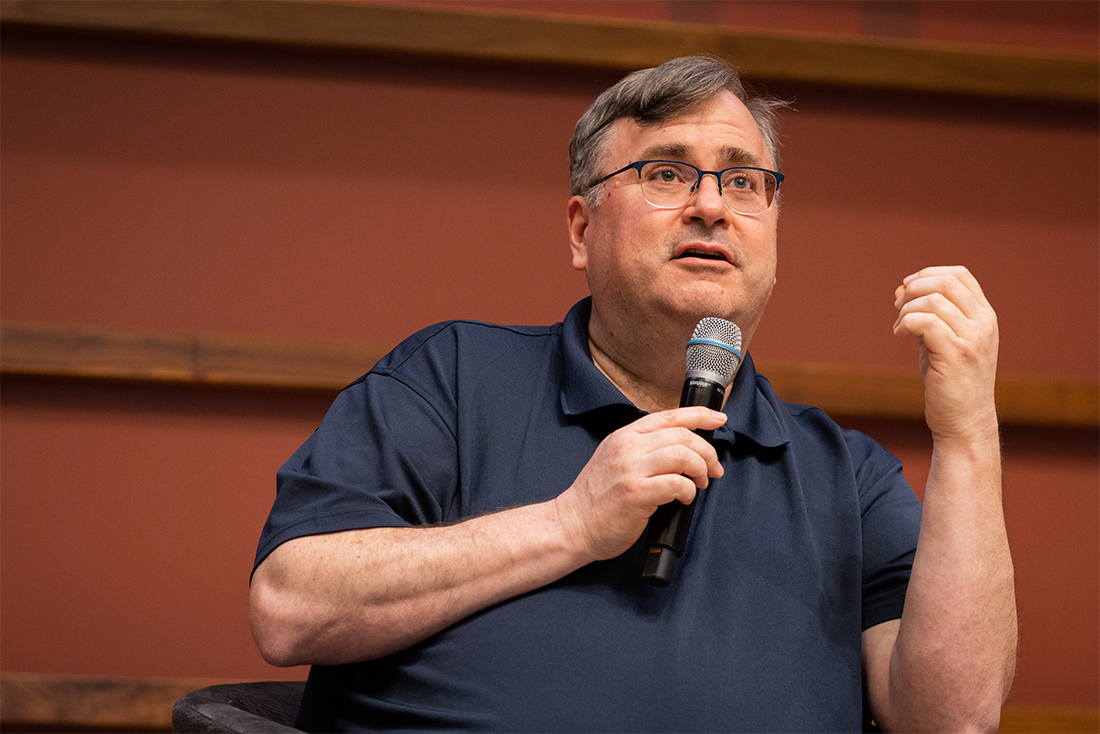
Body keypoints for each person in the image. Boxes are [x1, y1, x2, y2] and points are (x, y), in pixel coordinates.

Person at [250, 55, 1017, 732]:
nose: (712, 206)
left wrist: (969, 436)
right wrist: (569, 525)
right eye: (666, 173)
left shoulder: (846, 475)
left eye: (744, 181)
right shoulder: (452, 378)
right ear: (582, 231)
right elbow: (290, 609)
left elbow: (953, 720)